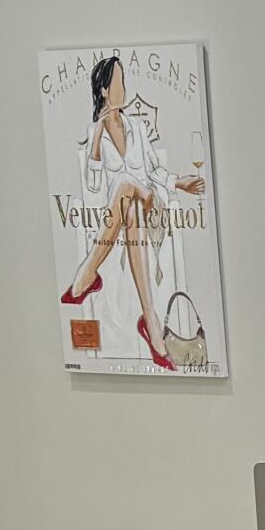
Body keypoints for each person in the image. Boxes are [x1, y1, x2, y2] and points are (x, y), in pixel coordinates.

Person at [57, 54, 205, 367]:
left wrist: (180, 184)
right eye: (119, 83)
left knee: (132, 191)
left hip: (152, 205)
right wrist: (97, 136)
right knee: (128, 194)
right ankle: (151, 324)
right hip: (127, 211)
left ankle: (86, 275)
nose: (124, 88)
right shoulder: (96, 132)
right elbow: (95, 184)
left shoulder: (137, 128)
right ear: (104, 92)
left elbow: (154, 171)